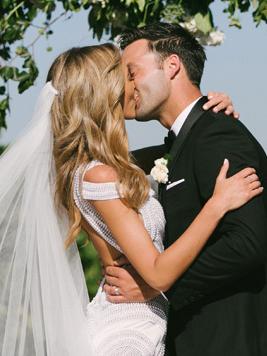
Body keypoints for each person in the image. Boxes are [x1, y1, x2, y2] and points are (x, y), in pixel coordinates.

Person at [0, 43, 261, 356]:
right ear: (103, 90)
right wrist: (216, 206)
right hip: (128, 334)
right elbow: (158, 273)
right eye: (126, 75)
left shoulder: (108, 168)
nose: (134, 84)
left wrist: (205, 112)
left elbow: (175, 153)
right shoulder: (99, 176)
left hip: (146, 326)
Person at [103, 24, 267, 356]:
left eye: (132, 73)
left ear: (173, 65)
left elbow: (248, 243)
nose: (125, 86)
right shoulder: (180, 143)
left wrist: (157, 286)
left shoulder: (218, 134)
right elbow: (104, 165)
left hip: (225, 342)